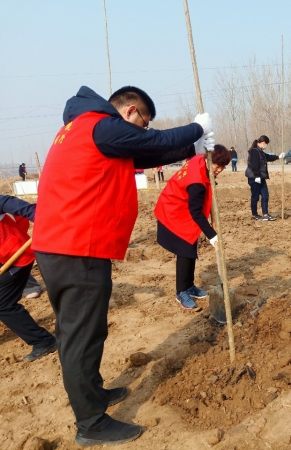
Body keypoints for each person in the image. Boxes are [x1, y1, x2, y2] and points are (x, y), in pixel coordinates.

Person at [32, 85, 214, 446]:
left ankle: (93, 393)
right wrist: (197, 128)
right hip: (77, 248)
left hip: (63, 246)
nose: (144, 130)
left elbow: (143, 155)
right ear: (131, 111)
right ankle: (91, 424)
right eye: (143, 123)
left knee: (81, 331)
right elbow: (153, 142)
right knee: (81, 337)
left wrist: (190, 149)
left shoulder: (83, 129)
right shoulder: (100, 125)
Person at [155, 145, 231, 310]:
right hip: (173, 210)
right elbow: (196, 212)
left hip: (182, 208)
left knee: (190, 247)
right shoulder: (196, 182)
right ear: (209, 160)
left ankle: (189, 286)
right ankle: (181, 291)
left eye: (223, 166)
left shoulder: (201, 161)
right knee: (185, 250)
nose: (220, 169)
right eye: (218, 165)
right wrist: (212, 236)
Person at [0, 195, 56, 362]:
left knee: (3, 305)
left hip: (16, 258)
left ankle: (43, 341)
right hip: (3, 258)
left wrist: (39, 217)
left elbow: (14, 205)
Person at [245, 135, 285, 221]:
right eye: (266, 144)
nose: (266, 146)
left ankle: (265, 214)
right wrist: (257, 176)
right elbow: (254, 166)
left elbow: (268, 157)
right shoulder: (254, 151)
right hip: (254, 178)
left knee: (265, 195)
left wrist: (278, 157)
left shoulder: (261, 152)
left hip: (261, 177)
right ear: (263, 143)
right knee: (255, 197)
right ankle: (255, 214)